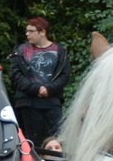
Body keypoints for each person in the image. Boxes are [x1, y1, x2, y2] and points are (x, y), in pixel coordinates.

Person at [7, 16, 71, 144]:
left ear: (42, 32)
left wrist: (49, 89)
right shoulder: (20, 50)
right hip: (28, 102)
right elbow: (15, 75)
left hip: (52, 101)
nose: (27, 34)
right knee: (32, 142)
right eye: (27, 31)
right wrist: (37, 89)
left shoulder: (59, 50)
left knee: (58, 140)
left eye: (31, 31)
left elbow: (65, 74)